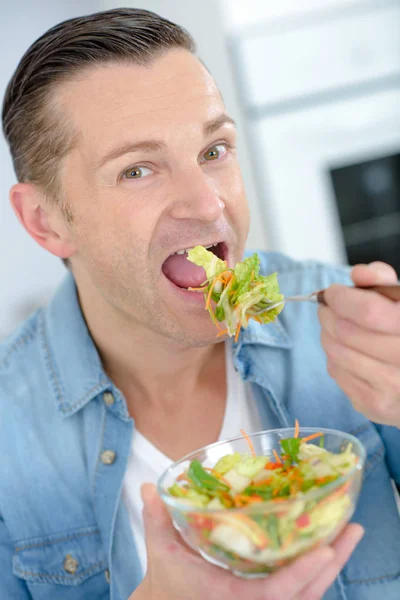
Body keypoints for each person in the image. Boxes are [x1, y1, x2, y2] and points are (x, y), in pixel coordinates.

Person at [0, 8, 399, 600]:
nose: (207, 204)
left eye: (214, 150)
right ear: (45, 220)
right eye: (137, 170)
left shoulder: (356, 325)